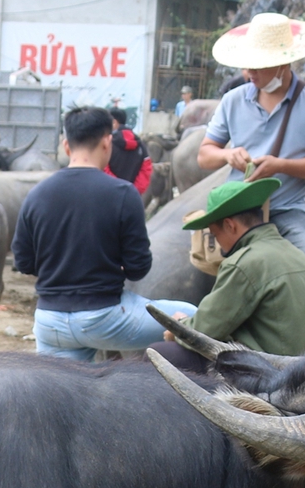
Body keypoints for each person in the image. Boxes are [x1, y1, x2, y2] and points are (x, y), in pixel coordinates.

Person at [13, 106, 196, 361]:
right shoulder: (123, 193)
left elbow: (23, 262)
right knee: (192, 315)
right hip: (105, 319)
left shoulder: (36, 195)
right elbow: (138, 267)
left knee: (65, 396)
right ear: (107, 143)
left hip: (50, 322)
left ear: (67, 146)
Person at [199, 12, 305, 312]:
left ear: (283, 61)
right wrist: (228, 155)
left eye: (258, 65)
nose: (249, 72)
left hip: (286, 211)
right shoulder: (233, 100)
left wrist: (280, 165)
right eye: (247, 63)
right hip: (238, 214)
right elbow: (205, 155)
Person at [177, 177, 305, 356]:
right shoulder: (293, 252)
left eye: (215, 234)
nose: (218, 243)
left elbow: (202, 331)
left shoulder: (243, 264)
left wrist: (180, 325)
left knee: (168, 352)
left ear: (230, 225)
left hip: (281, 374)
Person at [107, 107, 155, 194]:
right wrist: (133, 191)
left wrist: (116, 187)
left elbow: (101, 167)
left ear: (114, 122)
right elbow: (146, 169)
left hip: (109, 194)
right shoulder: (140, 145)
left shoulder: (107, 143)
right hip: (132, 196)